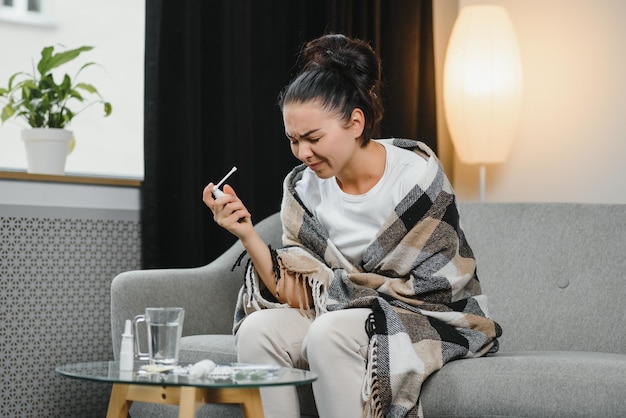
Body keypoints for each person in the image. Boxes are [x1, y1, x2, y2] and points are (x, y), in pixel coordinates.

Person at [203, 33, 501, 418]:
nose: (303, 153)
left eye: (313, 138)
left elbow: (438, 286)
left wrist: (344, 296)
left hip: (425, 315)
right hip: (339, 313)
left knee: (330, 333)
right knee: (258, 331)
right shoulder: (302, 188)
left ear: (355, 123)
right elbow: (301, 292)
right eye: (293, 140)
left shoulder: (417, 181)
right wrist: (246, 232)